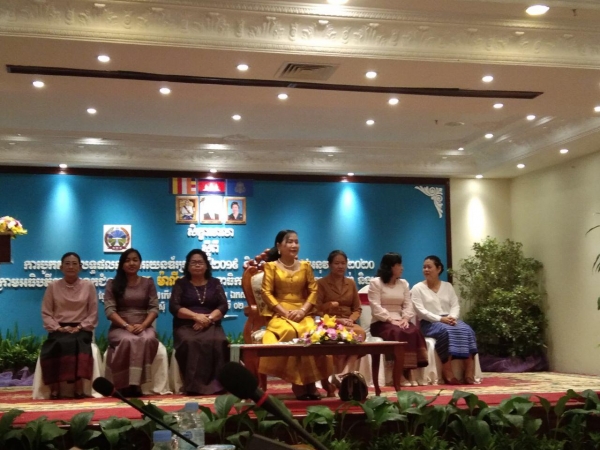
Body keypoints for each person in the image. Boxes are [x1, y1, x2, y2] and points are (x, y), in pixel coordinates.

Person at [259, 229, 333, 400]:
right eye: (289, 241)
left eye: (296, 242)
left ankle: (311, 383)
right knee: (291, 332)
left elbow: (313, 291)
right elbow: (266, 293)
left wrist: (303, 310)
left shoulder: (306, 266)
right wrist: (285, 312)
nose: (294, 245)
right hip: (280, 313)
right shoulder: (270, 267)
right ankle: (298, 384)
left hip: (303, 312)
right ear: (279, 246)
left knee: (312, 334)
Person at [410, 255, 478, 385]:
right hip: (429, 322)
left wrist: (452, 317)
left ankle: (469, 373)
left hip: (449, 319)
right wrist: (441, 319)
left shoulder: (447, 286)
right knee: (446, 332)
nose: (426, 270)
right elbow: (420, 311)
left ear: (439, 269)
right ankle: (448, 372)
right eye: (424, 267)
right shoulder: (417, 288)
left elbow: (455, 305)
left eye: (429, 267)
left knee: (467, 330)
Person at [169, 249, 229, 395]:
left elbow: (223, 305)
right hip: (186, 325)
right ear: (187, 266)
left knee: (219, 341)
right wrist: (195, 317)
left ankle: (218, 385)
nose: (197, 265)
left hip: (211, 323)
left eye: (200, 262)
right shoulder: (181, 283)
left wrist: (208, 319)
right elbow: (174, 307)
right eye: (193, 262)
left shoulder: (215, 283)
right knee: (190, 342)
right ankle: (194, 386)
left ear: (206, 265)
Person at [40, 252, 98, 399]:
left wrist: (79, 327)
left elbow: (93, 313)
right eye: (67, 263)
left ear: (80, 267)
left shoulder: (88, 286)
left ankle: (78, 387)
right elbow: (46, 313)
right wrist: (58, 328)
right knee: (56, 343)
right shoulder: (53, 286)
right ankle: (55, 387)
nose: (71, 266)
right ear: (61, 267)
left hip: (81, 328)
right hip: (59, 328)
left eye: (74, 263)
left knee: (76, 341)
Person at [104, 248, 159, 397]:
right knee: (129, 340)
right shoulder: (112, 284)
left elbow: (154, 308)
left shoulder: (148, 283)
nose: (131, 263)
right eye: (127, 260)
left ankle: (137, 384)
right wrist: (126, 326)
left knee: (148, 339)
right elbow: (109, 310)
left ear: (140, 263)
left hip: (144, 325)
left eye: (135, 260)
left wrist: (144, 325)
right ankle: (124, 385)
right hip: (120, 327)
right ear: (122, 264)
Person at [368, 252, 429, 384]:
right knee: (397, 332)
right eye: (399, 265)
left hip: (400, 320)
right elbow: (375, 306)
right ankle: (398, 373)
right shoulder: (376, 283)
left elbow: (408, 304)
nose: (402, 268)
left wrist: (405, 319)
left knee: (414, 331)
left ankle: (410, 371)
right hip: (381, 322)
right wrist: (391, 320)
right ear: (391, 267)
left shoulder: (403, 283)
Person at [317, 250, 366, 396]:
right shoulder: (321, 283)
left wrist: (351, 319)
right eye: (337, 263)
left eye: (343, 263)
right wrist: (337, 320)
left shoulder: (351, 283)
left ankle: (342, 374)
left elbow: (357, 308)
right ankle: (340, 380)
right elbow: (317, 310)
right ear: (330, 265)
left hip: (349, 322)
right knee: (338, 343)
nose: (340, 266)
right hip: (330, 323)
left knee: (360, 333)